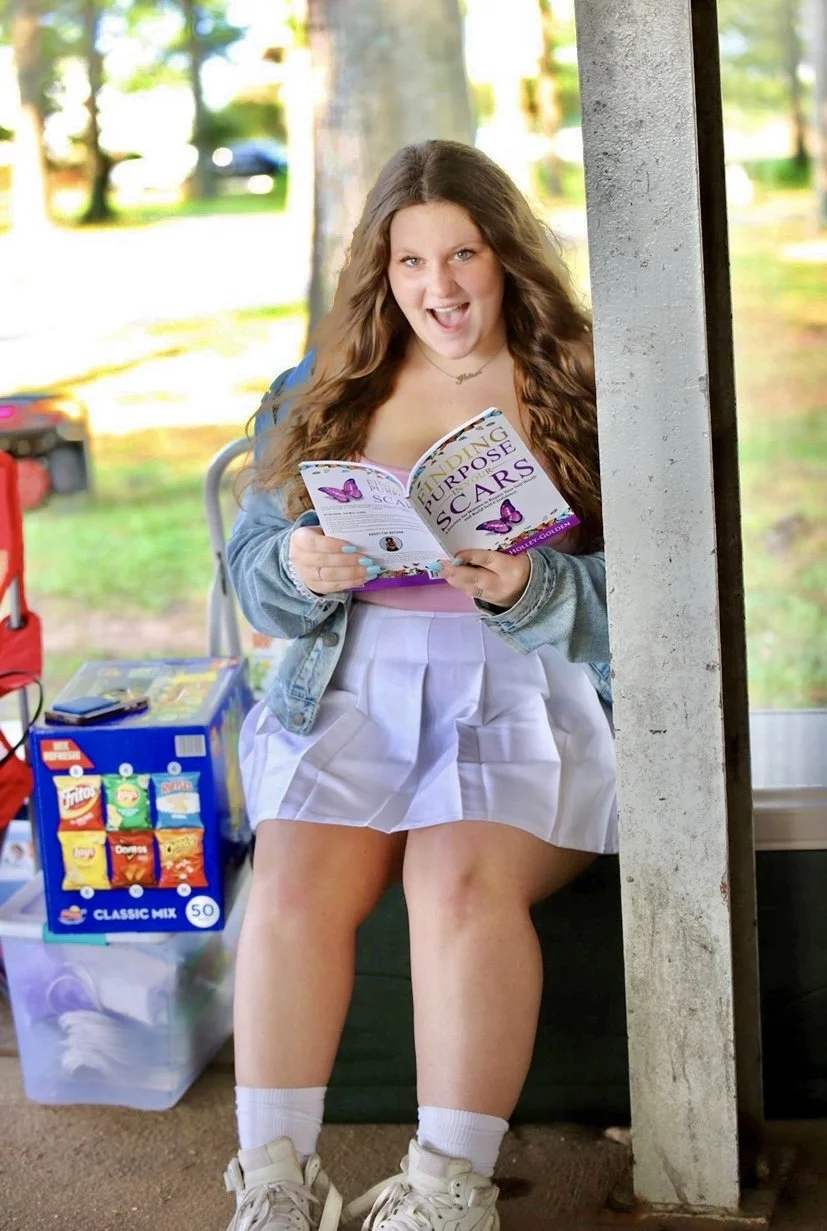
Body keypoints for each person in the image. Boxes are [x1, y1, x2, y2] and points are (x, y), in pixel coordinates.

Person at [224, 138, 616, 1231]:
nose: (437, 287)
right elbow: (249, 571)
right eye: (409, 261)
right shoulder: (324, 385)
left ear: (506, 256)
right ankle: (274, 1180)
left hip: (529, 685)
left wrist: (535, 585)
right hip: (351, 681)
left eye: (462, 254)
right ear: (380, 269)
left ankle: (449, 1190)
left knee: (454, 878)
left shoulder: (587, 378)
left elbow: (674, 594)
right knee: (291, 879)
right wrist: (298, 565)